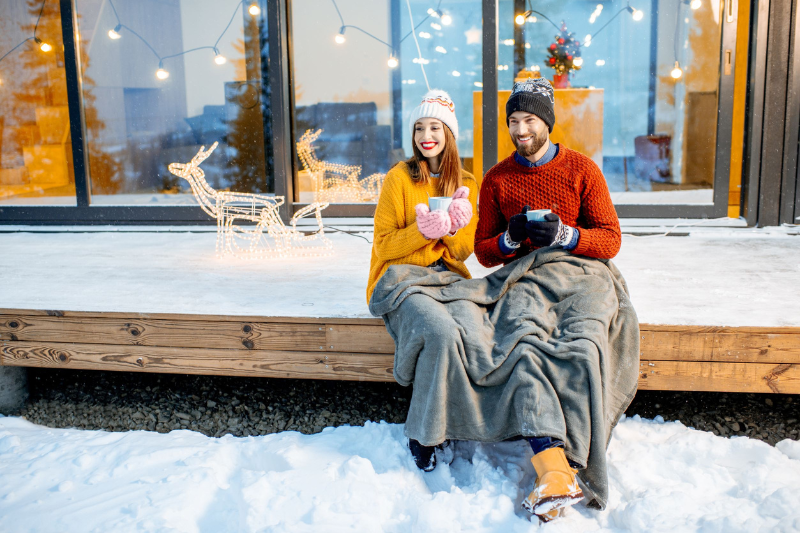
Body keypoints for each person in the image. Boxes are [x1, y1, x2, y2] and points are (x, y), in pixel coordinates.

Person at [474, 77, 622, 521]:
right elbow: (483, 252)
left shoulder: (582, 169)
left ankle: (573, 463)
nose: (521, 130)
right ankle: (554, 471)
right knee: (523, 347)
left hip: (582, 274)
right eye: (514, 120)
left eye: (530, 120)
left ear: (548, 124)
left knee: (583, 348)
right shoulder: (497, 178)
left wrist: (565, 235)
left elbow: (611, 238)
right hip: (526, 277)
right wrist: (510, 238)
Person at [366, 89, 479, 470]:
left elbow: (463, 251)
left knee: (470, 330)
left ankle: (467, 420)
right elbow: (383, 246)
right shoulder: (399, 178)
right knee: (440, 332)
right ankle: (423, 431)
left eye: (434, 126)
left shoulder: (465, 182)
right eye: (419, 128)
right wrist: (423, 231)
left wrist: (451, 226)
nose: (425, 135)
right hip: (400, 278)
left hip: (446, 279)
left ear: (449, 133)